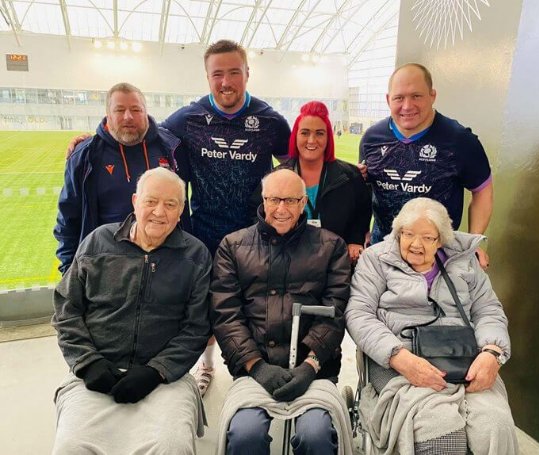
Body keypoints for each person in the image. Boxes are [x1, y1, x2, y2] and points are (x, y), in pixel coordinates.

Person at [51, 167, 211, 455]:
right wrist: (88, 363)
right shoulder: (99, 241)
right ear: (135, 201)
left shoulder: (196, 255)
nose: (159, 212)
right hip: (96, 372)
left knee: (171, 447)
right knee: (71, 448)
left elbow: (197, 328)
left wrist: (156, 372)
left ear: (181, 211)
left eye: (170, 204)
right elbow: (67, 307)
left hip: (164, 379)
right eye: (151, 201)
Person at [161, 39, 290, 395]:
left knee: (253, 304)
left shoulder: (269, 121)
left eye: (234, 72)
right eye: (218, 74)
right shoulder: (188, 118)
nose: (226, 81)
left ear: (247, 73)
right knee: (205, 303)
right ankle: (206, 364)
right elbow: (146, 135)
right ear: (207, 77)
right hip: (204, 231)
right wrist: (95, 138)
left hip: (255, 234)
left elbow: (298, 161)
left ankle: (253, 367)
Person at [345, 197, 517, 455]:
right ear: (397, 232)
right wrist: (399, 357)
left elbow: (488, 310)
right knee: (441, 431)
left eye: (427, 238)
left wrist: (492, 352)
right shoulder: (376, 260)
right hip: (398, 360)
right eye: (408, 234)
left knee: (494, 424)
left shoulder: (464, 261)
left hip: (463, 359)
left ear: (442, 240)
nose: (416, 244)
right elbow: (359, 313)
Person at [211, 169, 353, 455]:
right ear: (263, 200)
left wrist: (310, 365)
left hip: (313, 369)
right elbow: (226, 315)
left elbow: (334, 313)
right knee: (244, 435)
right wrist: (256, 366)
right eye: (274, 199)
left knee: (317, 435)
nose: (281, 209)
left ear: (303, 204)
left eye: (290, 200)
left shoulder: (331, 246)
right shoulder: (232, 246)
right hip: (255, 369)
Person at [359, 63, 493, 268]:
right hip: (383, 254)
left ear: (432, 95)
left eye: (416, 96)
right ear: (388, 100)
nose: (407, 106)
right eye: (399, 98)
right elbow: (365, 189)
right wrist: (361, 230)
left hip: (437, 258)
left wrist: (473, 241)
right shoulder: (372, 139)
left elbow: (482, 190)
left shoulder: (459, 140)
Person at [54, 82, 186, 274]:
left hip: (164, 266)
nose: (128, 117)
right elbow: (68, 219)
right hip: (105, 267)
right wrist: (69, 271)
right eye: (119, 110)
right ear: (108, 115)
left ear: (146, 112)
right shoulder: (85, 156)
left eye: (135, 109)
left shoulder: (171, 148)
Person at [251, 101, 372, 264]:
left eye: (320, 133)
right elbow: (257, 214)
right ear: (295, 136)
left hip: (334, 263)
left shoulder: (350, 176)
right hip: (286, 261)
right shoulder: (276, 177)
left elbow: (363, 211)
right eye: (305, 133)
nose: (311, 140)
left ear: (328, 137)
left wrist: (355, 240)